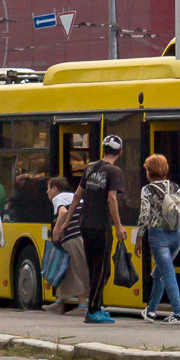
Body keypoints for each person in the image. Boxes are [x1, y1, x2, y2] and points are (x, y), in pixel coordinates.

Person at [68, 135, 127, 325]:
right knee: (102, 269)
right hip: (101, 225)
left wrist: (65, 223)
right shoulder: (115, 171)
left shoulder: (90, 167)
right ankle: (93, 311)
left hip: (85, 223)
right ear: (120, 152)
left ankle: (97, 306)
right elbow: (111, 199)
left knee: (94, 267)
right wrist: (118, 226)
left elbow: (77, 196)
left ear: (103, 150)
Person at [136, 153, 180, 323]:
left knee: (166, 271)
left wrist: (139, 238)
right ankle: (151, 311)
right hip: (176, 235)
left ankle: (178, 312)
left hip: (158, 235)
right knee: (160, 271)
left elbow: (144, 215)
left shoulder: (147, 190)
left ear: (150, 171)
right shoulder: (174, 187)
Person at [46, 176, 88, 314]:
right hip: (81, 235)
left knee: (73, 269)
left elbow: (63, 213)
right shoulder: (75, 197)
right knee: (65, 269)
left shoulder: (58, 198)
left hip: (71, 237)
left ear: (55, 188)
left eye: (48, 188)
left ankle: (82, 305)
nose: (47, 192)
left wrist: (56, 230)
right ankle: (59, 302)